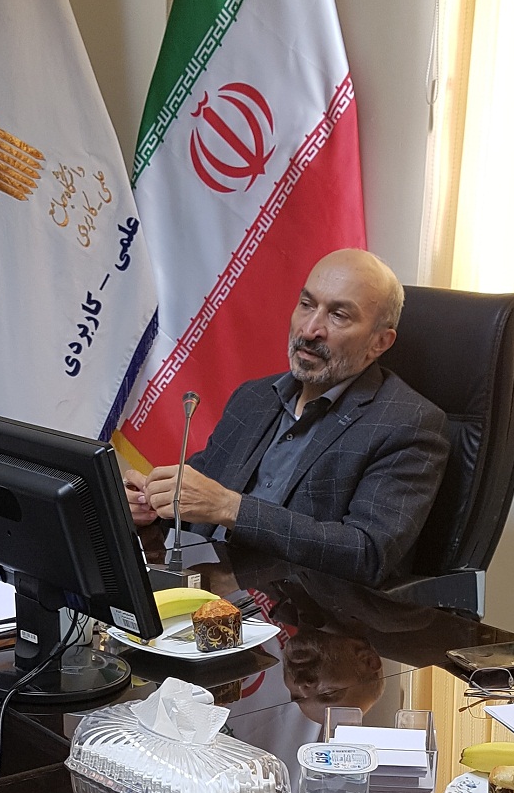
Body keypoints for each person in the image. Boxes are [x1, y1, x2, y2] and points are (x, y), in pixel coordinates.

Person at [124, 248, 450, 587]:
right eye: (307, 304)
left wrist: (231, 508)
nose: (309, 329)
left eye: (338, 315)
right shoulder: (253, 398)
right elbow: (195, 502)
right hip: (205, 591)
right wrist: (149, 507)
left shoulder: (409, 424)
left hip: (302, 612)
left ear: (380, 342)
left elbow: (367, 553)